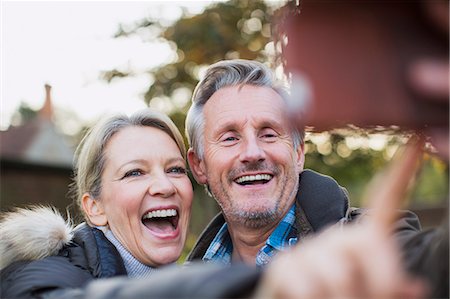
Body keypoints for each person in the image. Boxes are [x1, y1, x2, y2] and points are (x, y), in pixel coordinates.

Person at [184, 59, 421, 266]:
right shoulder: (184, 285)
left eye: (268, 134)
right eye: (230, 138)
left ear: (298, 153)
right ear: (199, 166)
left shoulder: (373, 245)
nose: (253, 152)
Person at [0, 108, 194, 298]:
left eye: (175, 169)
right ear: (95, 208)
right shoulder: (44, 277)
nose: (166, 186)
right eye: (134, 172)